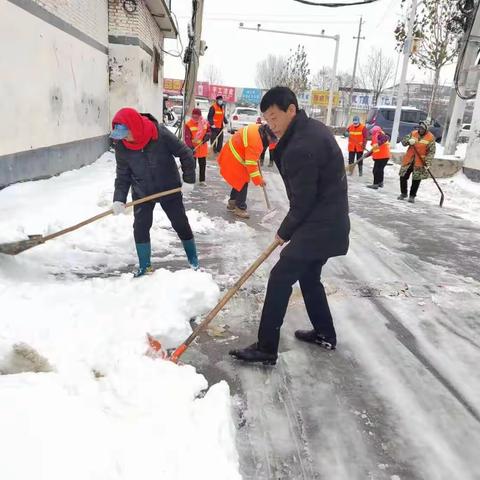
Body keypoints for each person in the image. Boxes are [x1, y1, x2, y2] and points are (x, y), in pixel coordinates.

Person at [229, 87, 350, 365]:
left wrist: (284, 232)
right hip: (329, 223)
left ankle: (266, 348)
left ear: (291, 110)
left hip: (319, 225)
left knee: (280, 277)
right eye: (267, 120)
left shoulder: (301, 146)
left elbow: (303, 202)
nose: (271, 125)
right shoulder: (312, 130)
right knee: (308, 278)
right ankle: (324, 333)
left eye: (274, 118)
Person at [110, 107, 199, 277]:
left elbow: (185, 153)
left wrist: (188, 180)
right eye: (120, 136)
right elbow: (123, 176)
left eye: (126, 134)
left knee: (180, 223)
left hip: (169, 188)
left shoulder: (159, 134)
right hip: (142, 191)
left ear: (134, 127)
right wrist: (118, 199)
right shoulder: (122, 146)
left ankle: (193, 261)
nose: (124, 139)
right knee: (140, 227)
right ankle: (145, 267)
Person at [217, 123, 276, 219]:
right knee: (243, 180)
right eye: (271, 139)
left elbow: (251, 155)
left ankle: (232, 203)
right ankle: (240, 208)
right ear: (266, 134)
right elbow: (251, 164)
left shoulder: (259, 130)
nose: (271, 142)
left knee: (238, 180)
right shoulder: (256, 141)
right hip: (234, 156)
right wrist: (259, 180)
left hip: (234, 152)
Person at [398, 120, 436, 203]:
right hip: (409, 160)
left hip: (420, 162)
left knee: (416, 179)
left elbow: (431, 152)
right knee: (403, 176)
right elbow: (403, 142)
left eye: (422, 128)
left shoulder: (430, 138)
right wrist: (408, 141)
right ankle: (403, 193)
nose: (420, 129)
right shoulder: (413, 133)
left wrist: (428, 163)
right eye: (419, 128)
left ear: (426, 129)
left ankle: (412, 196)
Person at [184, 108, 211, 186]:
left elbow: (209, 131)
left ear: (200, 116)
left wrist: (207, 136)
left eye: (197, 117)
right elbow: (187, 138)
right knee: (193, 165)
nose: (195, 118)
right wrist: (190, 147)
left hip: (202, 147)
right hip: (193, 148)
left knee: (202, 164)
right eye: (194, 116)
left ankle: (202, 180)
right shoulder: (188, 124)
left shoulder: (205, 123)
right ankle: (191, 180)